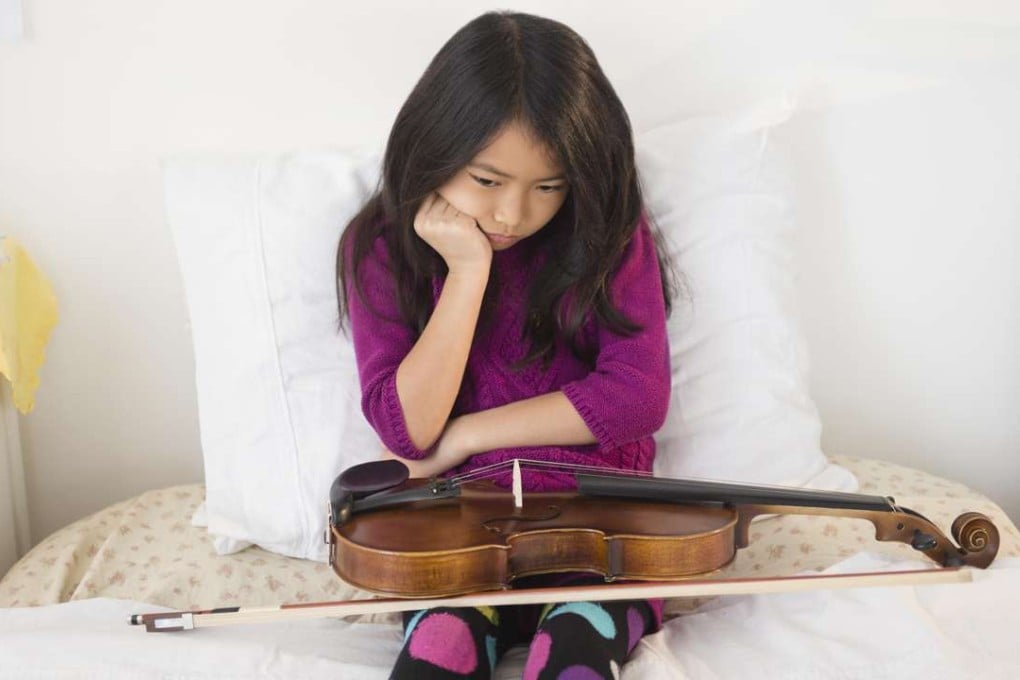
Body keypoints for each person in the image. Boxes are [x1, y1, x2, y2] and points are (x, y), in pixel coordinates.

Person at [335, 10, 678, 680]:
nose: (512, 214)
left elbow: (638, 395)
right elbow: (408, 431)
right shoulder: (379, 246)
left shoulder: (607, 233)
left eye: (549, 186)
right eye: (487, 181)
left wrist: (467, 436)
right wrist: (467, 272)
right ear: (433, 148)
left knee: (577, 649)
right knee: (440, 648)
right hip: (456, 537)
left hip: (600, 529)